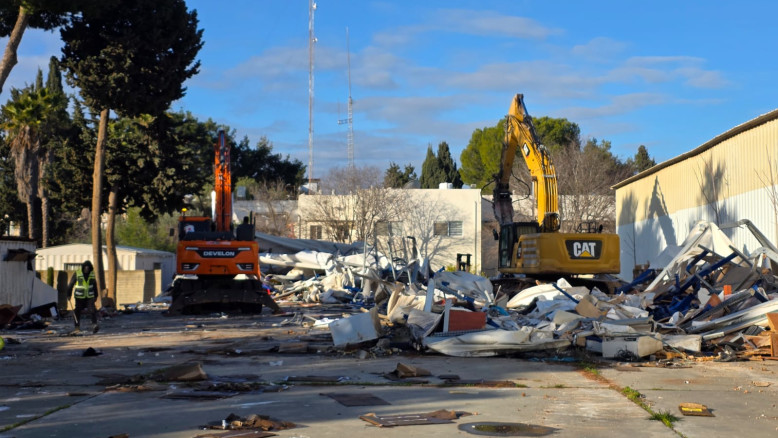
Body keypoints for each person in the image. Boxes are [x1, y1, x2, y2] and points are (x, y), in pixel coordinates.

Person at [67, 260, 99, 334]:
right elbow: (71, 284)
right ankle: (77, 326)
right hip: (79, 297)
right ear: (83, 267)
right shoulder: (77, 273)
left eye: (88, 268)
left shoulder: (92, 274)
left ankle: (94, 325)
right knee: (77, 311)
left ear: (90, 268)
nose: (86, 269)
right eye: (85, 268)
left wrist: (96, 295)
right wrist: (68, 294)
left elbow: (94, 285)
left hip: (89, 296)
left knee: (92, 310)